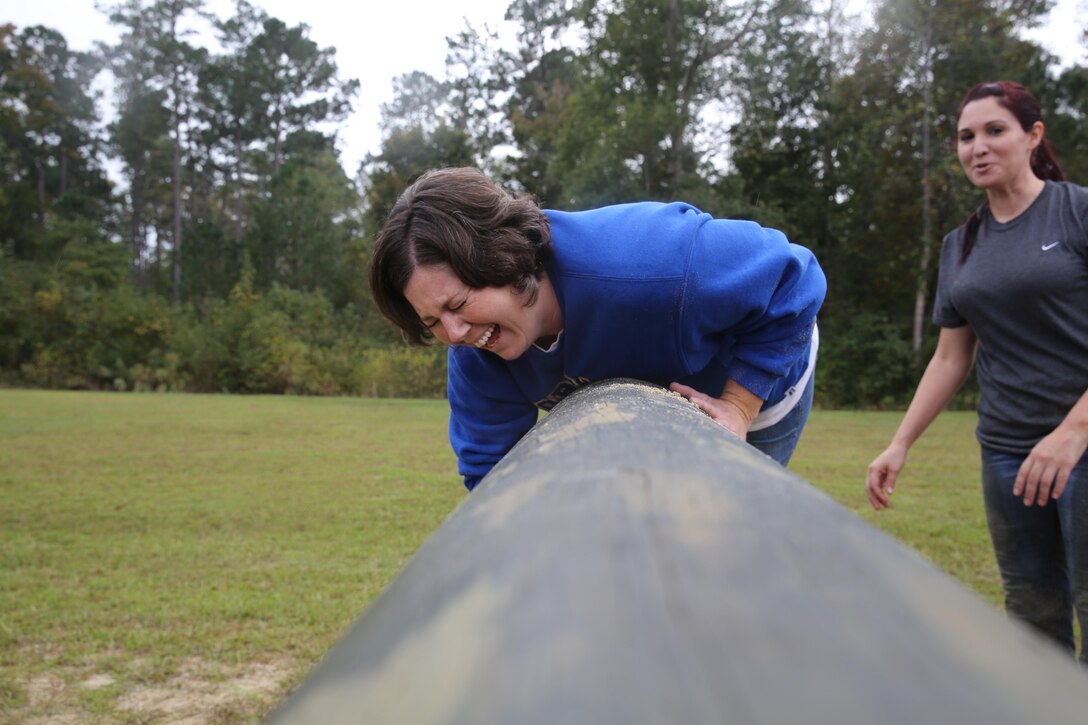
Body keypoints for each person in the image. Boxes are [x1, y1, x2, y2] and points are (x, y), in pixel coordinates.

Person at [370, 167, 826, 491]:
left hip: (752, 387)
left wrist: (739, 408)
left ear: (501, 257)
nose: (453, 333)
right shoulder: (474, 350)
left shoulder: (651, 264)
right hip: (637, 414)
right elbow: (492, 473)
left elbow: (792, 279)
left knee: (724, 531)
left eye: (458, 304)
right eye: (432, 322)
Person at [865, 81, 1088, 663]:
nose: (978, 147)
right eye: (966, 136)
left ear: (1033, 136)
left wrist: (1073, 432)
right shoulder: (960, 246)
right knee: (1032, 606)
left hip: (1082, 442)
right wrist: (900, 443)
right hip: (1006, 451)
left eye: (995, 131)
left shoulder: (1078, 212)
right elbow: (950, 357)